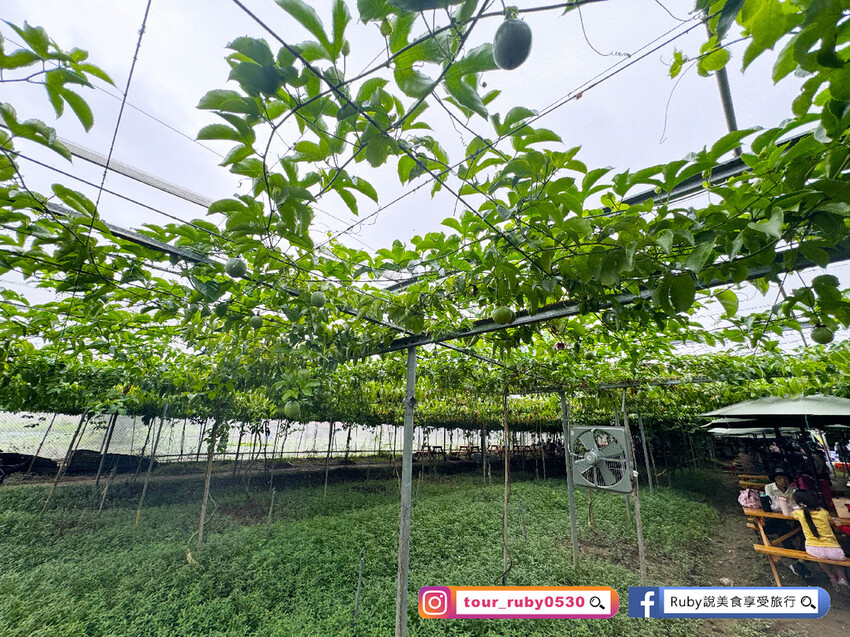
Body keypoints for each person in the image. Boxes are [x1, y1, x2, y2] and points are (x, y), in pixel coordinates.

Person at [791, 490, 849, 588]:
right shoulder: (823, 512)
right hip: (834, 550)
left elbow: (791, 514)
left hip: (813, 549)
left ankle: (832, 578)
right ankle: (842, 578)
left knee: (822, 560)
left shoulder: (799, 513)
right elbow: (830, 519)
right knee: (835, 560)